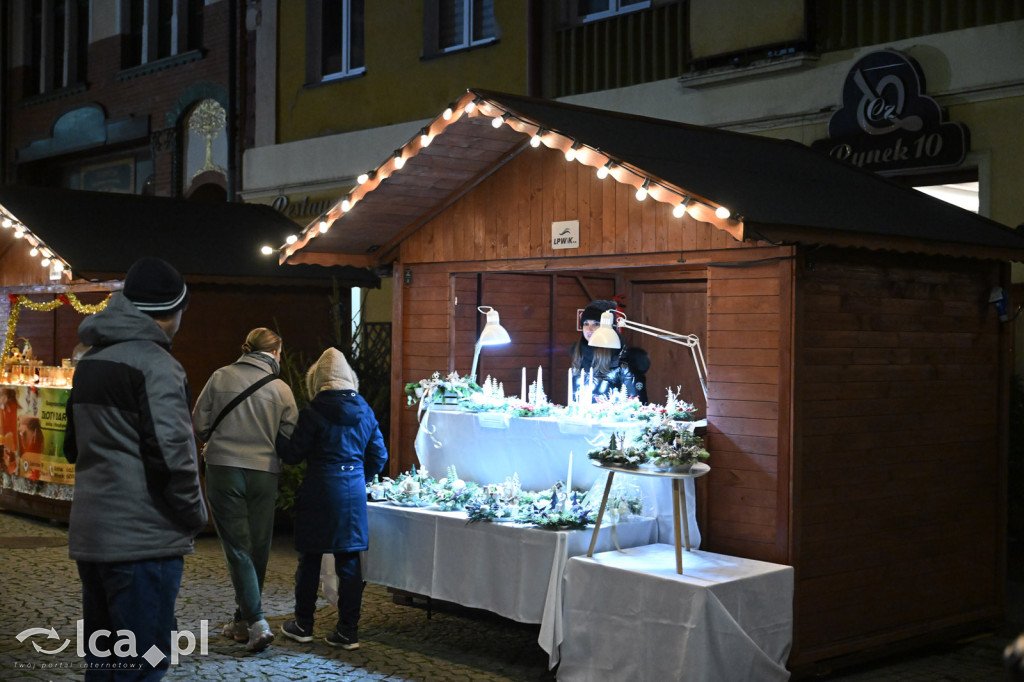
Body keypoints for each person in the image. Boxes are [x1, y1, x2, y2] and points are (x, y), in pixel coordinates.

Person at [64, 257, 207, 680]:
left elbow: (72, 446)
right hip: (143, 541)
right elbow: (173, 457)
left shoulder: (90, 361)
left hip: (93, 535)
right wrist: (194, 515)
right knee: (141, 666)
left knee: (104, 664)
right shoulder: (157, 366)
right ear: (173, 311)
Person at [192, 327, 298, 652]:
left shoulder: (220, 377)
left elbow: (199, 421)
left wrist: (218, 439)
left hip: (223, 468)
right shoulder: (282, 390)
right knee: (259, 546)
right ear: (275, 354)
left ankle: (252, 620)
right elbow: (290, 436)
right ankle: (248, 621)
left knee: (237, 547)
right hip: (264, 472)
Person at [280, 347, 388, 649]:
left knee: (310, 558)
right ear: (349, 379)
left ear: (318, 380)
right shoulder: (365, 411)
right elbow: (379, 454)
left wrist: (276, 436)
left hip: (319, 487)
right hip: (352, 491)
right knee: (350, 561)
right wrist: (359, 478)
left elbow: (293, 454)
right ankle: (347, 631)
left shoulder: (313, 412)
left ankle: (303, 624)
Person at [570, 299, 650, 403]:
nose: (589, 328)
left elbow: (636, 404)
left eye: (596, 324)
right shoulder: (578, 355)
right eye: (586, 323)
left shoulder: (624, 361)